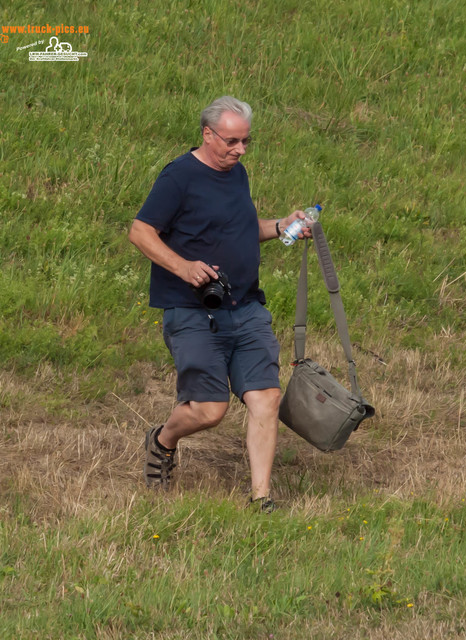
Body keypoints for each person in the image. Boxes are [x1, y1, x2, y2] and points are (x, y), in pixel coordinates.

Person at [128, 96, 311, 512]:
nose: (240, 150)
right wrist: (183, 267)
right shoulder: (179, 177)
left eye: (246, 141)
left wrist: (283, 226)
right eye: (231, 141)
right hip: (192, 311)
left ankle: (261, 498)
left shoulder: (237, 174)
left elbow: (244, 229)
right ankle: (163, 440)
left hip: (246, 307)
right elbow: (140, 231)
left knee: (265, 398)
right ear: (207, 134)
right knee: (210, 411)